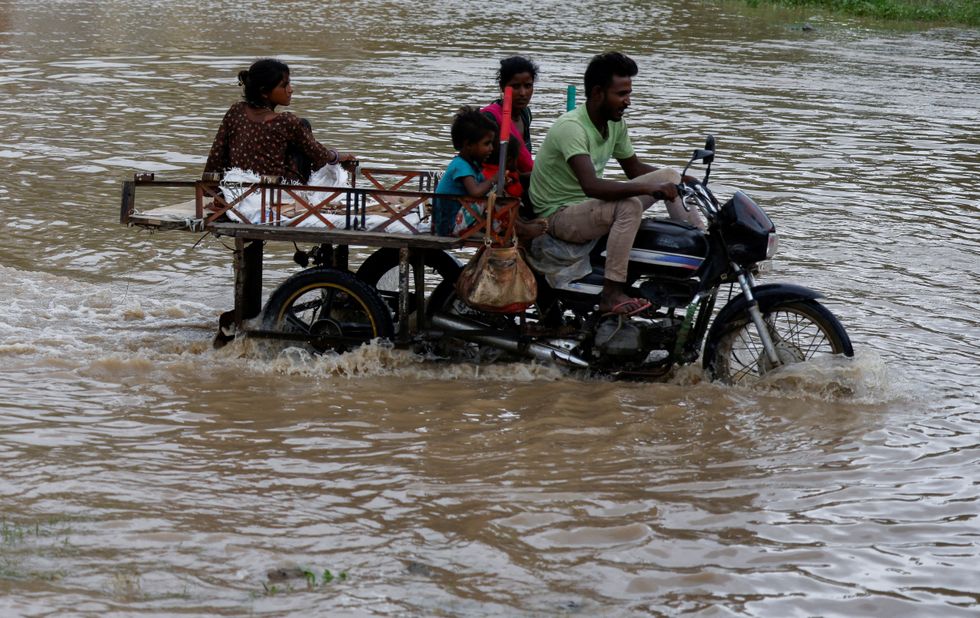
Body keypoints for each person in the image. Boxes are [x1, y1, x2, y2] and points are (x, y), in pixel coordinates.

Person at [528, 51, 705, 316]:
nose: (627, 102)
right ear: (598, 92)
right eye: (621, 94)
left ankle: (702, 246)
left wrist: (683, 180)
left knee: (669, 174)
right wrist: (648, 189)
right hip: (559, 216)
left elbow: (633, 168)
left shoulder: (614, 124)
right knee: (629, 206)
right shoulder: (572, 128)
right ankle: (611, 293)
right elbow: (592, 186)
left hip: (586, 208)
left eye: (628, 94)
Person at [203, 58, 356, 183]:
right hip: (275, 192)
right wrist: (339, 156)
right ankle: (310, 191)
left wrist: (211, 189)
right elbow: (319, 155)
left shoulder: (236, 111)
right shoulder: (286, 121)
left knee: (301, 127)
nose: (290, 89)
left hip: (238, 189)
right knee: (304, 125)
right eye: (284, 85)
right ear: (264, 92)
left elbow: (216, 156)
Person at [433, 106, 498, 236]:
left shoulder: (471, 165)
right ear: (468, 145)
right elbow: (476, 191)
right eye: (486, 144)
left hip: (459, 219)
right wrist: (494, 179)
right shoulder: (460, 166)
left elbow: (483, 185)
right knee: (493, 197)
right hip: (450, 226)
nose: (491, 148)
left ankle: (516, 225)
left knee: (497, 193)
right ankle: (516, 227)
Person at [481, 56, 538, 180]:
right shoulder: (490, 118)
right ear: (502, 87)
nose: (523, 93)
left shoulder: (525, 114)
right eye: (516, 86)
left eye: (528, 86)